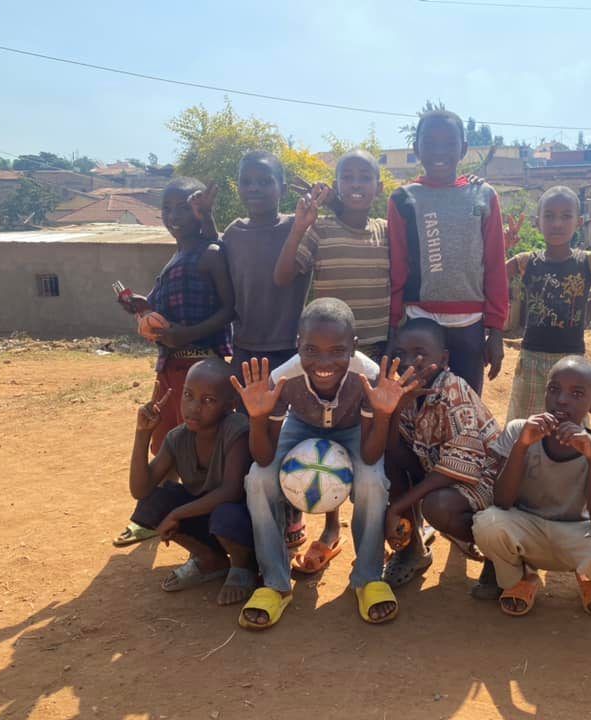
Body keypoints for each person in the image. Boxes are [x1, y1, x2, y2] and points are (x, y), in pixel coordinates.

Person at [232, 298, 420, 629]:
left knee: (372, 482)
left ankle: (367, 578)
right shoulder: (282, 379)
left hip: (353, 431)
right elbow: (263, 456)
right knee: (258, 480)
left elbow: (371, 456)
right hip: (301, 424)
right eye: (311, 349)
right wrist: (258, 417)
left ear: (354, 347)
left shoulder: (369, 378)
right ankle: (275, 583)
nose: (324, 361)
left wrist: (382, 413)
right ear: (297, 345)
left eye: (337, 350)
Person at [112, 178, 234, 548]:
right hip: (169, 366)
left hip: (201, 368)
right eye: (167, 208)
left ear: (199, 210)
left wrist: (188, 333)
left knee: (199, 445)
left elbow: (230, 309)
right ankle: (154, 511)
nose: (173, 216)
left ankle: (193, 522)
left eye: (184, 207)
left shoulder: (211, 253)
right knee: (166, 441)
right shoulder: (173, 260)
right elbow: (171, 310)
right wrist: (145, 309)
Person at [473, 356, 591, 616]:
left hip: (574, 536)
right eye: (554, 389)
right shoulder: (518, 431)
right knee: (487, 524)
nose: (562, 400)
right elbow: (502, 501)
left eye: (577, 394)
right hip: (527, 531)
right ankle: (521, 580)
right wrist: (522, 446)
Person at [222, 150, 311, 549]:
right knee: (255, 438)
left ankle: (294, 515)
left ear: (282, 185)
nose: (254, 188)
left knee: (292, 437)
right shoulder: (233, 234)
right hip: (247, 351)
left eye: (265, 181)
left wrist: (321, 199)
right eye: (247, 181)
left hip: (290, 351)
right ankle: (262, 520)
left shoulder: (300, 226)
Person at [388, 109, 508, 395]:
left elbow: (494, 265)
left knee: (466, 402)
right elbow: (398, 266)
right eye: (429, 143)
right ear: (416, 148)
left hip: (469, 325)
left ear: (463, 149)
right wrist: (393, 325)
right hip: (419, 321)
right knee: (416, 403)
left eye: (449, 143)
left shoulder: (484, 195)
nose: (439, 151)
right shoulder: (404, 199)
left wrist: (497, 329)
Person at [382, 318, 502, 595]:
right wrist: (397, 409)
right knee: (388, 464)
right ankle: (412, 550)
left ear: (444, 359)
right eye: (402, 354)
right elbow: (395, 451)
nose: (410, 362)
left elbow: (458, 468)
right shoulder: (406, 393)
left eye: (420, 353)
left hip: (485, 482)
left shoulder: (453, 391)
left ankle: (499, 555)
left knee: (437, 507)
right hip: (443, 472)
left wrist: (397, 507)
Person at [505, 190, 591, 421]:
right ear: (537, 222)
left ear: (579, 222)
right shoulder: (525, 261)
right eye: (549, 215)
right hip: (532, 359)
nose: (557, 223)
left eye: (566, 216)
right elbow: (485, 284)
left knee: (569, 433)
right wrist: (503, 247)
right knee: (525, 428)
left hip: (572, 366)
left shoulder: (589, 262)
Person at [128, 358, 257, 606]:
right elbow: (140, 489)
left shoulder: (236, 429)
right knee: (152, 504)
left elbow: (230, 491)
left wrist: (177, 513)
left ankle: (244, 567)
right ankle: (210, 560)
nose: (194, 407)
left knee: (224, 515)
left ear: (229, 405)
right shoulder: (177, 438)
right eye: (188, 395)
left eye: (208, 400)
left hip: (241, 523)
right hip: (207, 521)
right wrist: (142, 434)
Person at [273, 149, 391, 362]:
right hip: (328, 348)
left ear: (379, 188)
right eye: (347, 177)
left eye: (365, 177)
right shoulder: (320, 229)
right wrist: (299, 228)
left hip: (376, 348)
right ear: (336, 187)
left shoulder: (386, 232)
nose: (356, 184)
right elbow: (282, 278)